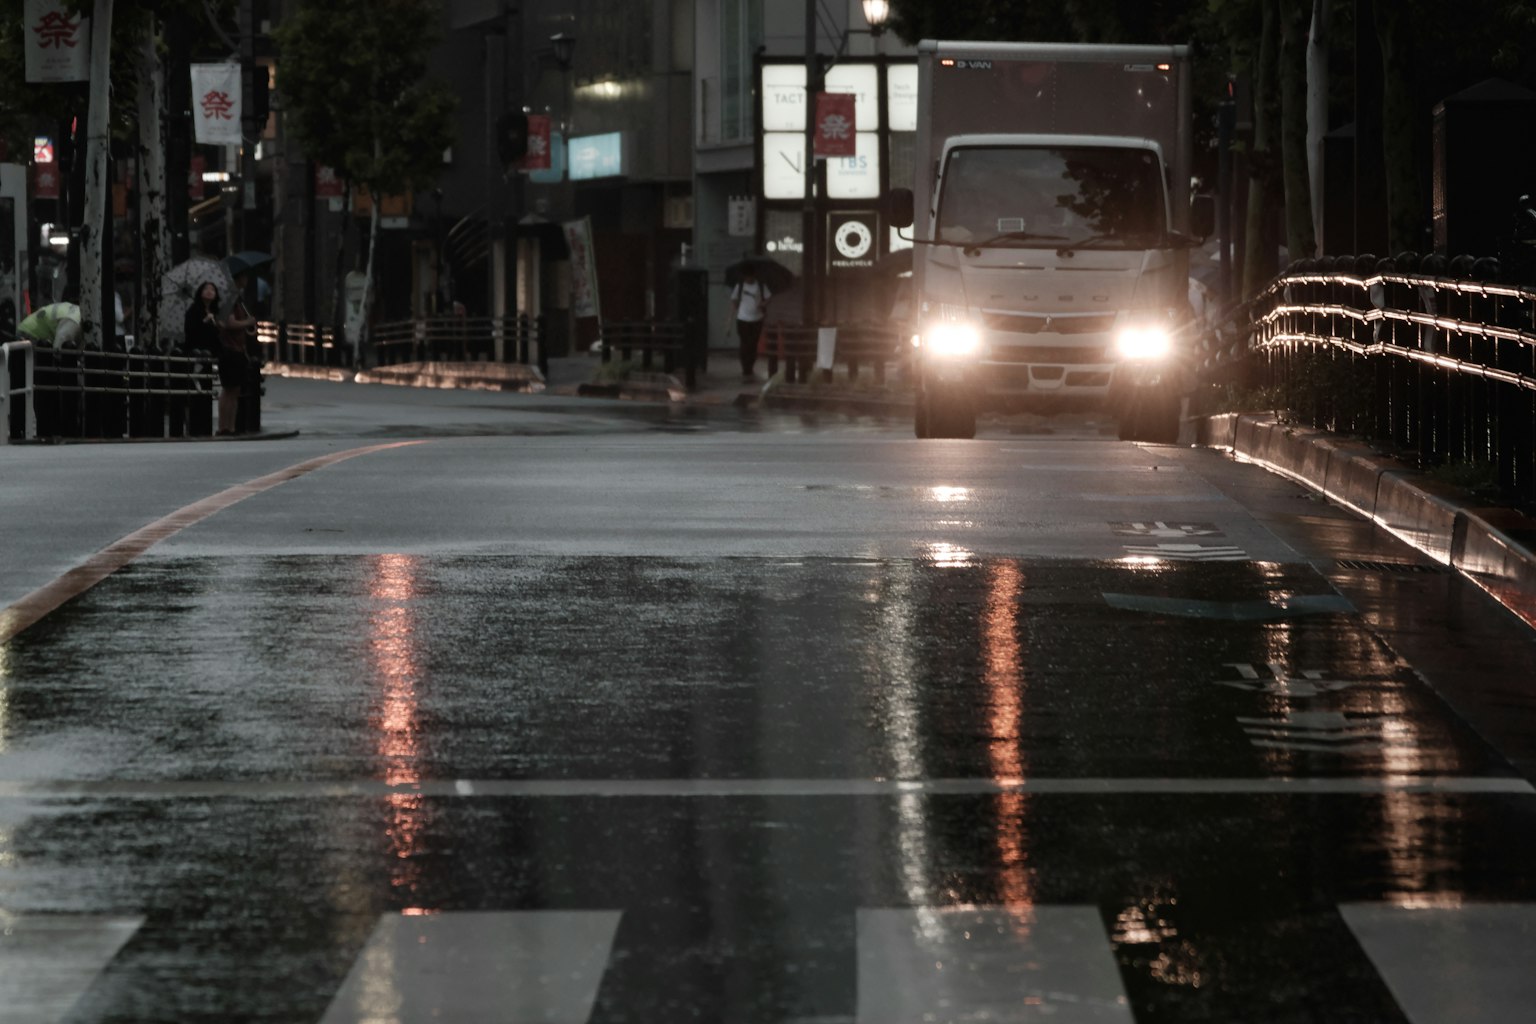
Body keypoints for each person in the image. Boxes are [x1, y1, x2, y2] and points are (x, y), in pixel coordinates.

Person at [217, 277, 256, 435]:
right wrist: (247, 322)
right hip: (230, 350)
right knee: (229, 389)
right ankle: (223, 426)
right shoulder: (229, 300)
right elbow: (229, 323)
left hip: (238, 349)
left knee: (235, 390)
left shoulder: (238, 300)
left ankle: (230, 426)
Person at [729, 267, 772, 382]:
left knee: (753, 344)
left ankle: (750, 366)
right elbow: (733, 299)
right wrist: (736, 304)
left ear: (753, 276)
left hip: (757, 319)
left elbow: (768, 297)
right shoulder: (740, 286)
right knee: (744, 343)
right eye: (746, 277)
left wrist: (763, 304)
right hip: (742, 318)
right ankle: (745, 367)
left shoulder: (761, 286)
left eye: (750, 276)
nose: (748, 279)